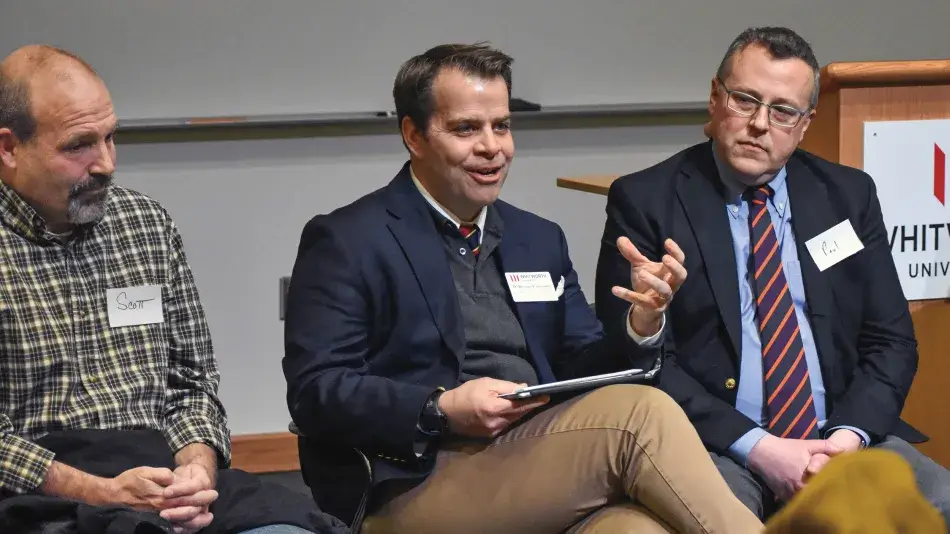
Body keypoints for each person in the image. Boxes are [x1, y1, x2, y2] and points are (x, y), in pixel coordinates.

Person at [283, 42, 764, 534]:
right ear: (414, 135)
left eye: (502, 126)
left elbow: (583, 361)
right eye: (467, 128)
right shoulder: (349, 239)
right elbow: (316, 391)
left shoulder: (538, 239)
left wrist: (642, 324)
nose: (492, 147)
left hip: (538, 455)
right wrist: (439, 409)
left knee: (636, 529)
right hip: (416, 480)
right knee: (640, 417)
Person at [594, 26, 950, 522]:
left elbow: (891, 342)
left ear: (805, 124)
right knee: (722, 520)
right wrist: (761, 447)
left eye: (783, 111)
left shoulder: (848, 195)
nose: (760, 124)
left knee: (940, 503)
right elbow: (642, 364)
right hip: (721, 444)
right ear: (716, 98)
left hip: (841, 436)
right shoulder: (648, 201)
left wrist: (845, 440)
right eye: (745, 100)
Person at [0, 45, 346, 533]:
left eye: (111, 137)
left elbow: (192, 383)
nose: (105, 164)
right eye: (78, 145)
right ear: (9, 148)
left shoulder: (145, 224)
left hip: (163, 475)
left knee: (290, 527)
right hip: (44, 491)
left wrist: (196, 473)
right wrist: (100, 491)